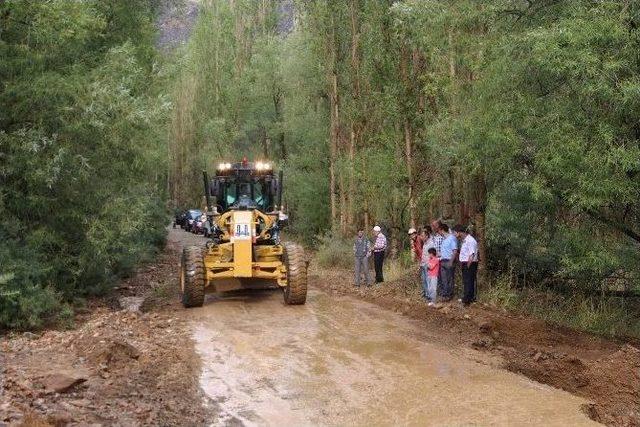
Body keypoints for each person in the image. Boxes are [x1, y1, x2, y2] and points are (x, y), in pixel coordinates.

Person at [454, 224, 479, 306]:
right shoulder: (464, 240)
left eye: (455, 233)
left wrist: (468, 265)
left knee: (469, 281)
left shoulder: (470, 240)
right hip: (466, 263)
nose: (455, 235)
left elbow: (471, 254)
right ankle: (467, 297)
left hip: (470, 263)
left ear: (460, 232)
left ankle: (467, 300)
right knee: (466, 281)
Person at [439, 223, 458, 302]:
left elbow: (455, 251)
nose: (439, 233)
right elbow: (443, 252)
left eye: (439, 231)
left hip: (449, 261)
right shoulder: (444, 240)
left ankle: (450, 295)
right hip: (442, 261)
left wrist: (451, 261)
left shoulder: (452, 238)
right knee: (444, 279)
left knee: (450, 279)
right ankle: (445, 295)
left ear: (442, 230)